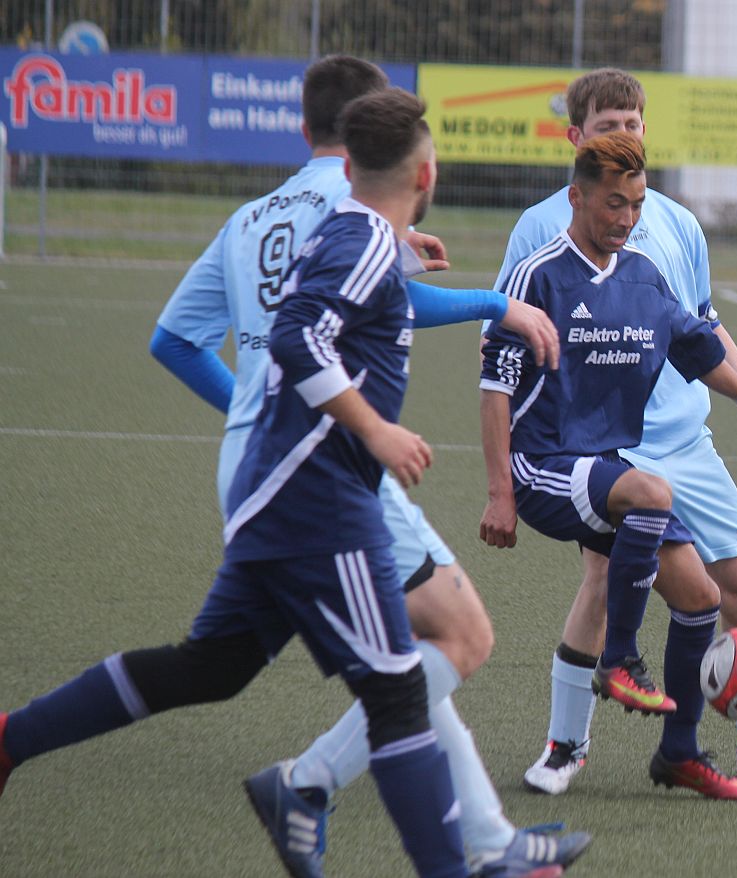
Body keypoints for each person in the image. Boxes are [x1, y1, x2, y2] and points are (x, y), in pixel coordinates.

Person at [0, 87, 568, 878]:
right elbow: (301, 334)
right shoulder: (361, 235)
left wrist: (397, 263)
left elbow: (303, 311)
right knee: (400, 694)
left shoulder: (352, 231)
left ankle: (9, 741)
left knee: (213, 667)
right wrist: (376, 429)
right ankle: (467, 862)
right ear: (427, 170)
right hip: (319, 501)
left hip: (273, 487)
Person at [149, 57, 584, 878]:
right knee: (455, 637)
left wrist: (253, 407)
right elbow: (363, 312)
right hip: (332, 463)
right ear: (371, 141)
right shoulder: (344, 207)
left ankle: (480, 840)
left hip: (285, 454)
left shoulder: (261, 212)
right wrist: (499, 303)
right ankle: (319, 786)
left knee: (408, 643)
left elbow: (174, 340)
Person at [488, 67, 737, 796]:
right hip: (604, 447)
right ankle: (566, 747)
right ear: (575, 138)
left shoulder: (670, 223)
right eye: (608, 125)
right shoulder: (543, 231)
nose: (624, 135)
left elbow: (702, 333)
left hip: (687, 441)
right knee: (607, 581)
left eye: (634, 124)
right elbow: (508, 349)